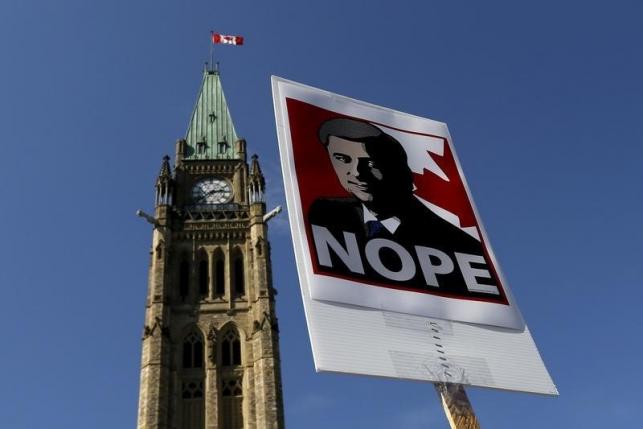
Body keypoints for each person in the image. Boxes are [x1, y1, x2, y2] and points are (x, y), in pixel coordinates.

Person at [308, 118, 502, 299]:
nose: (356, 173)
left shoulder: (461, 246)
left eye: (370, 162)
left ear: (396, 168)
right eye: (342, 159)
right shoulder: (324, 212)